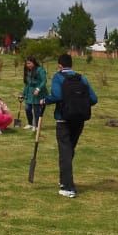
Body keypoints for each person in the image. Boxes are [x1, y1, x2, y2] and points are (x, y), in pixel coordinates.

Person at [42, 53, 98, 199]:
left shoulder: (58, 77)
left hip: (63, 120)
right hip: (79, 120)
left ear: (60, 65)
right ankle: (64, 181)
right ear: (71, 64)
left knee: (65, 152)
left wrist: (45, 101)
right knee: (69, 150)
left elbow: (57, 96)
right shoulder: (82, 78)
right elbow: (93, 99)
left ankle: (68, 187)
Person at [21, 57, 47, 130]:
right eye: (27, 63)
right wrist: (23, 94)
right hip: (30, 92)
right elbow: (27, 84)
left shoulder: (40, 70)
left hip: (39, 92)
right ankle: (30, 124)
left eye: (29, 63)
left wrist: (38, 89)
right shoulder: (28, 71)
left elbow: (44, 81)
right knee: (27, 108)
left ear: (34, 62)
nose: (28, 65)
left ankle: (36, 125)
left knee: (36, 109)